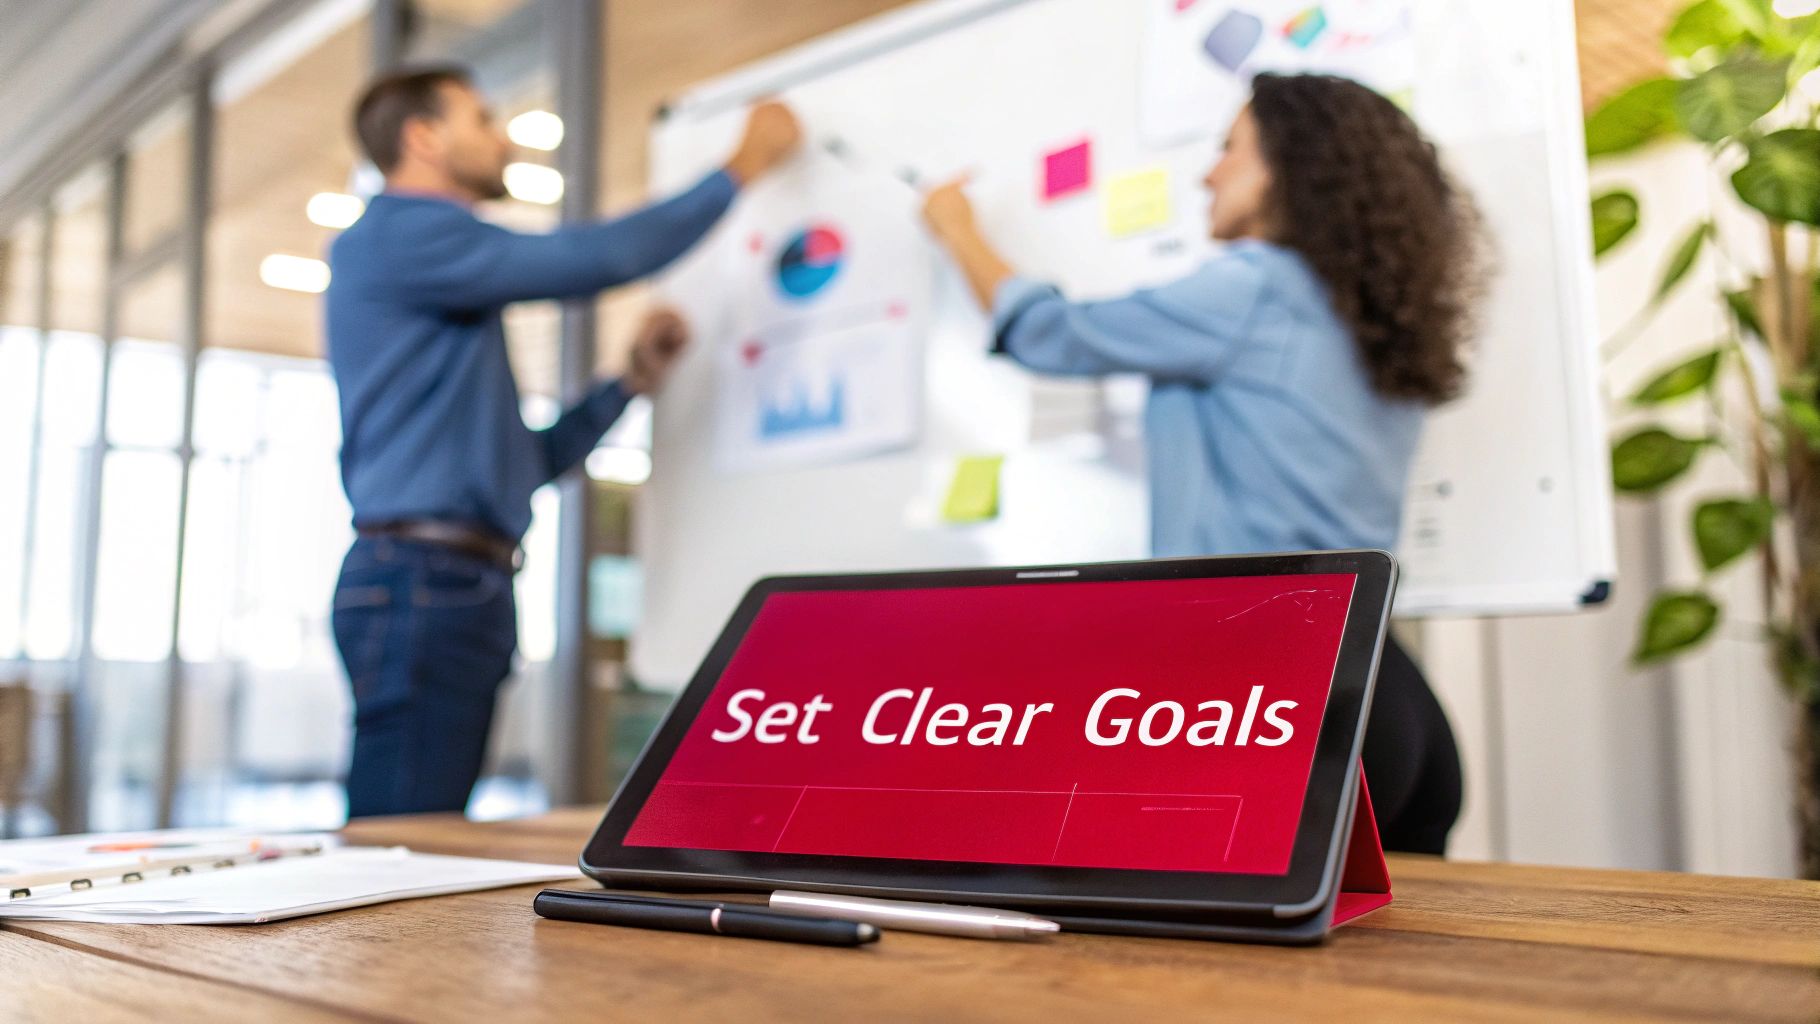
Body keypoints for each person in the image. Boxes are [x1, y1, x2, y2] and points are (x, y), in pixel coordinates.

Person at [919, 73, 1481, 855]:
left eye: (1229, 150)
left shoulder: (1253, 289)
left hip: (1279, 696)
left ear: (1292, 166)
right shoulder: (1378, 317)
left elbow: (1050, 332)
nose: (1207, 172)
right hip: (1392, 696)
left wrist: (957, 231)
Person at [325, 65, 801, 818]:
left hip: (451, 580)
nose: (501, 136)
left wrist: (628, 384)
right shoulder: (399, 236)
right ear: (423, 137)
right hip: (423, 580)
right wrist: (738, 168)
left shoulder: (442, 297)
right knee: (401, 844)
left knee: (420, 834)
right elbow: (595, 260)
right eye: (481, 118)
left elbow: (530, 465)